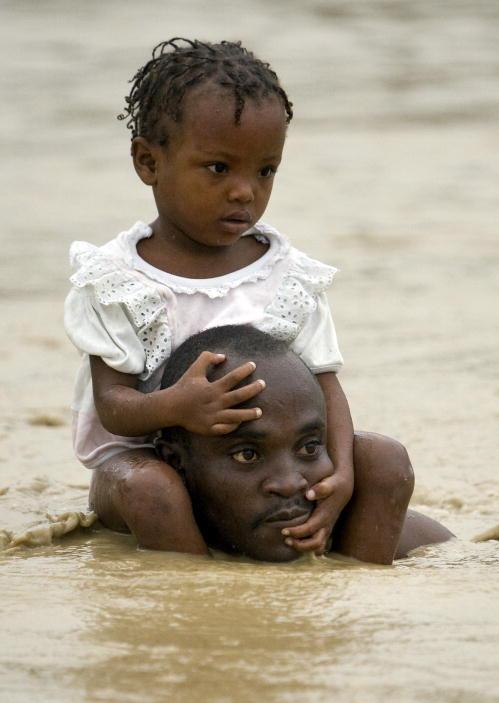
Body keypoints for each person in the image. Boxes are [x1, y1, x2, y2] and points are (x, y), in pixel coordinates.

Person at [61, 38, 421, 557]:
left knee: (384, 459)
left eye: (265, 170)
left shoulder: (288, 276)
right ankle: (204, 596)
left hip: (273, 468)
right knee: (149, 491)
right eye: (218, 168)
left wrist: (341, 473)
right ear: (148, 162)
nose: (244, 192)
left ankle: (348, 578)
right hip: (155, 471)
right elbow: (114, 408)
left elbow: (327, 387)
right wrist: (177, 407)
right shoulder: (118, 280)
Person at [156, 325, 453, 563]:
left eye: (309, 448)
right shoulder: (151, 555)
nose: (289, 484)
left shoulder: (421, 549)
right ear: (177, 464)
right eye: (248, 454)